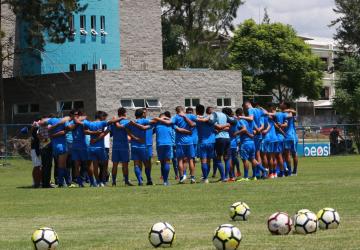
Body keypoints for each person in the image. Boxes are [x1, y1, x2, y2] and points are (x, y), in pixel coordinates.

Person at [83, 111, 119, 187]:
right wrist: (120, 118)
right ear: (101, 117)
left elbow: (84, 129)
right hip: (101, 147)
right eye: (105, 117)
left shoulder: (90, 123)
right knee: (104, 166)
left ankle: (97, 182)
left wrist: (92, 132)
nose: (105, 119)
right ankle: (102, 182)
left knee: (95, 165)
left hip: (92, 147)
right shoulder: (103, 123)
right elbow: (106, 131)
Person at [109, 107, 138, 186]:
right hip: (124, 146)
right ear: (124, 113)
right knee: (125, 164)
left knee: (115, 164)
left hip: (115, 145)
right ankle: (126, 181)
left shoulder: (114, 122)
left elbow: (110, 133)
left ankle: (114, 182)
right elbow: (130, 132)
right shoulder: (127, 121)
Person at [172, 106, 197, 184]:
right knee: (190, 160)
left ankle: (182, 177)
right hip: (189, 141)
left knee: (180, 160)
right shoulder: (190, 116)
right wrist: (188, 131)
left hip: (180, 142)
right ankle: (192, 178)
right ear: (183, 110)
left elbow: (177, 129)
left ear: (176, 111)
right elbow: (194, 124)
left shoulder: (175, 117)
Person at [209, 108, 233, 182]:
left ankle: (223, 178)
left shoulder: (214, 118)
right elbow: (228, 127)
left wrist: (219, 129)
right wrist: (225, 126)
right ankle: (226, 176)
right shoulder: (226, 118)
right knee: (227, 158)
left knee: (218, 158)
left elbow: (218, 127)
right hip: (227, 138)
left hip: (219, 138)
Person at [66, 110, 88, 187]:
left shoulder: (84, 121)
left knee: (85, 165)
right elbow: (70, 128)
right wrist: (78, 122)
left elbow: (87, 128)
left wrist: (80, 122)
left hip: (83, 145)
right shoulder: (72, 122)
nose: (76, 115)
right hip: (74, 146)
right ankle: (79, 182)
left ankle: (85, 180)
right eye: (75, 114)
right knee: (76, 165)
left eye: (77, 114)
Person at [195, 104, 215, 183]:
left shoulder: (197, 119)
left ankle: (205, 178)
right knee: (209, 161)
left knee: (203, 161)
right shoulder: (210, 117)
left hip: (203, 142)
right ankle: (206, 177)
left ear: (196, 110)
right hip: (211, 142)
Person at [153, 113, 175, 186]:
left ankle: (164, 180)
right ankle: (165, 181)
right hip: (168, 144)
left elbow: (151, 130)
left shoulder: (156, 123)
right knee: (167, 162)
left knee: (163, 162)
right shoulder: (170, 123)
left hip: (160, 144)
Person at [29, 121, 42, 188]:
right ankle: (36, 183)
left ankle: (37, 182)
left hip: (36, 149)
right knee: (37, 166)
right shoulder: (35, 128)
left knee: (37, 166)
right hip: (35, 149)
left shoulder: (37, 128)